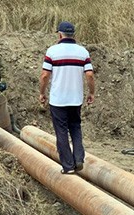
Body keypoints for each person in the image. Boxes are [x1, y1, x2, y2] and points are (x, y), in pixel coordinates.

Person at [39, 21, 95, 174]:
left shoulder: (52, 51)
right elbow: (89, 74)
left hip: (58, 100)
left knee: (61, 131)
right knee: (76, 128)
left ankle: (68, 166)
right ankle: (78, 159)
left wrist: (42, 93)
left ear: (59, 34)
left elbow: (45, 75)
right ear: (73, 34)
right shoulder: (83, 52)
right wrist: (91, 92)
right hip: (75, 99)